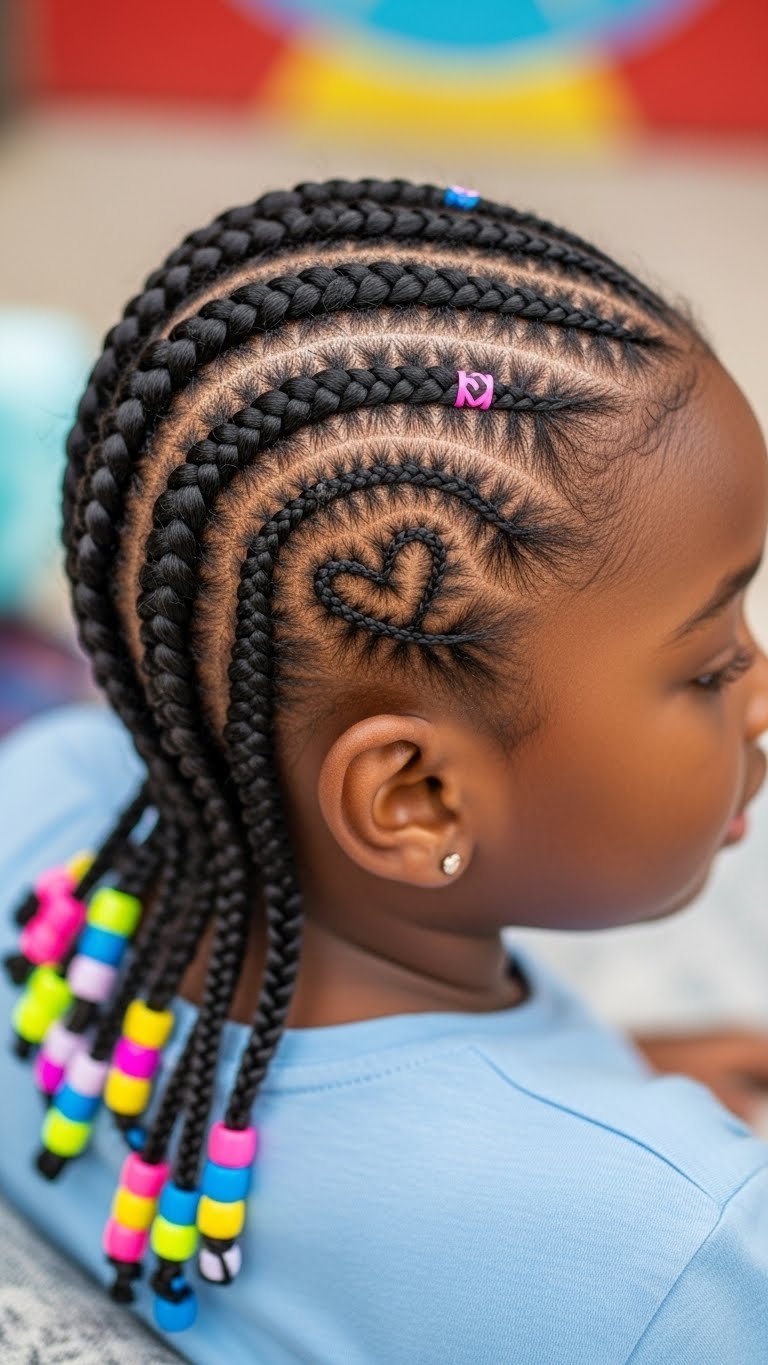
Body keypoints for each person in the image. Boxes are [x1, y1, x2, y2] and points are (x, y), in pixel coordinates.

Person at [1, 178, 767, 1364]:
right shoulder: (683, 1256)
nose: (762, 685)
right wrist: (650, 1172)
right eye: (713, 665)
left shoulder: (42, 800)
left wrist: (599, 1080)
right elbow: (629, 1256)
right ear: (414, 800)